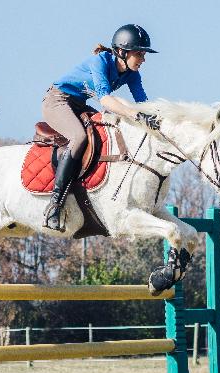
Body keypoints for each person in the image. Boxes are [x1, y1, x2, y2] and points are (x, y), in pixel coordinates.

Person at [41, 24, 160, 231]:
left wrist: (159, 119)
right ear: (122, 52)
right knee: (79, 137)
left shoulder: (132, 74)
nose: (143, 59)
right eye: (139, 53)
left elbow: (143, 103)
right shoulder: (100, 62)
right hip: (57, 101)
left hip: (78, 105)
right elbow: (105, 100)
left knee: (107, 133)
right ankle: (55, 204)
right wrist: (135, 114)